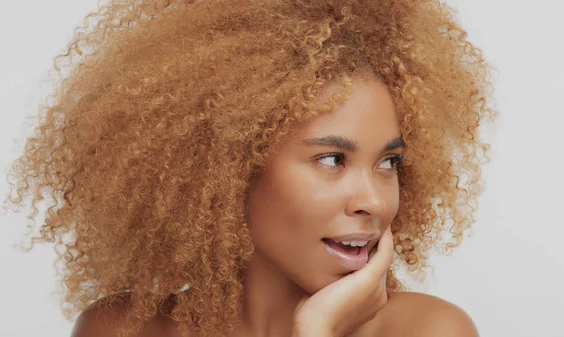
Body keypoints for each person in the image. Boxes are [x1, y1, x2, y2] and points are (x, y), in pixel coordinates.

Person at [2, 0, 496, 336]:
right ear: (229, 169)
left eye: (389, 162)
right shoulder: (121, 330)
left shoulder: (427, 331)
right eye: (331, 159)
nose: (373, 200)